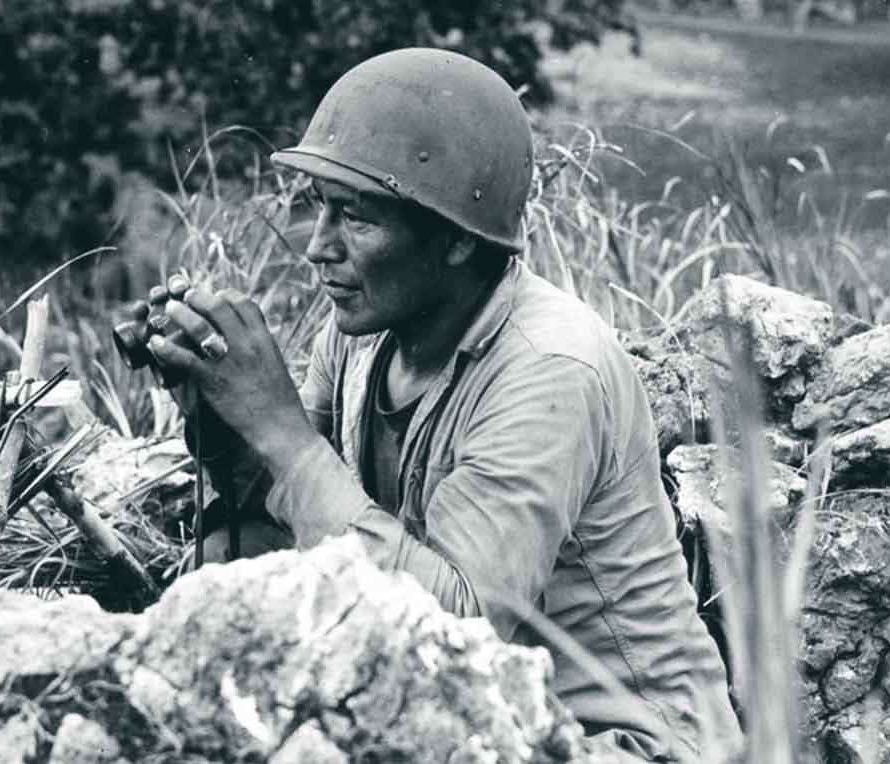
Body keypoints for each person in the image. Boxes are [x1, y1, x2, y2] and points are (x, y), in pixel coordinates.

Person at [146, 47, 743, 762]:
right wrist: (220, 409)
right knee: (221, 569)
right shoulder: (369, 331)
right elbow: (292, 512)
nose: (317, 248)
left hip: (620, 740)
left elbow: (456, 633)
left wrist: (281, 428)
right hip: (478, 717)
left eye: (356, 220)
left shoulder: (551, 368)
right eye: (318, 209)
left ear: (458, 241)